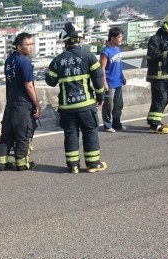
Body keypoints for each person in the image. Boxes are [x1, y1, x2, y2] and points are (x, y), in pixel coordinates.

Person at [45, 23, 107, 174]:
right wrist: (100, 96)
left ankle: (73, 165)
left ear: (65, 42)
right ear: (78, 39)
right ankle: (93, 164)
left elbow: (50, 81)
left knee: (70, 133)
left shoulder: (58, 60)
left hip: (67, 107)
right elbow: (98, 79)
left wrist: (50, 72)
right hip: (86, 104)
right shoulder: (88, 56)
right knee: (90, 131)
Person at [0, 32, 42, 171]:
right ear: (19, 46)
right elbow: (28, 85)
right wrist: (37, 104)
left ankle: (1, 163)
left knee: (7, 135)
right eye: (27, 45)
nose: (30, 47)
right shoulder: (24, 62)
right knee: (23, 135)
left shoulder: (9, 60)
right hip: (22, 104)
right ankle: (22, 163)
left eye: (31, 44)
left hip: (10, 103)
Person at [100, 27, 127, 132]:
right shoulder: (106, 51)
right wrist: (104, 82)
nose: (121, 39)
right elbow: (102, 68)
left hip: (118, 81)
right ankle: (107, 125)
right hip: (110, 82)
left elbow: (118, 65)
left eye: (121, 37)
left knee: (118, 104)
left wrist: (122, 76)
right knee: (108, 104)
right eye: (119, 37)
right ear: (112, 38)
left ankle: (117, 123)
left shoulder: (117, 49)